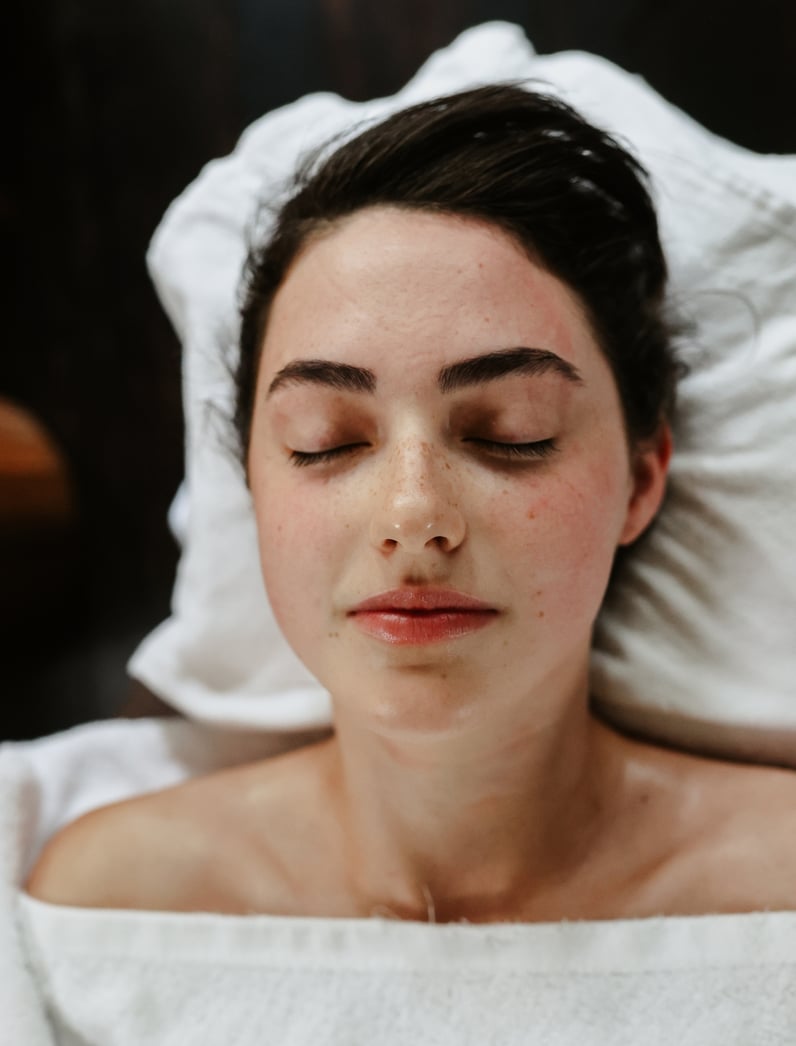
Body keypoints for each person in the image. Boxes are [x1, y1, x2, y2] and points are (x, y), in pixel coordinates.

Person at [25, 84, 796, 925]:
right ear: (252, 482)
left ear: (641, 481)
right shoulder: (117, 908)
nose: (413, 513)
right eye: (325, 441)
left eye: (512, 432)